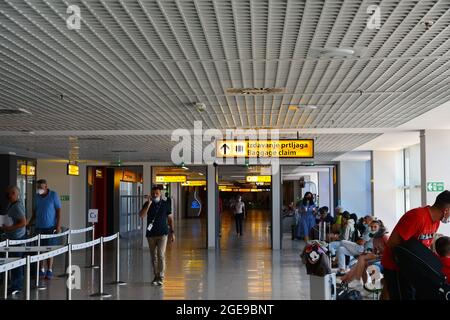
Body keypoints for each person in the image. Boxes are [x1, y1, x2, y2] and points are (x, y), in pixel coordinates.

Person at [381, 190, 450, 300]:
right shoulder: (417, 216)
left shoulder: (436, 222)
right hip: (396, 266)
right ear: (446, 210)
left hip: (413, 269)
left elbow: (424, 245)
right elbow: (392, 243)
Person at [139, 185, 175, 286]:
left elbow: (170, 219)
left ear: (160, 194)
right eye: (153, 194)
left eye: (157, 193)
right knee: (153, 256)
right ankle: (156, 275)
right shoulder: (147, 204)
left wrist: (172, 232)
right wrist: (149, 204)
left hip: (163, 233)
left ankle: (161, 276)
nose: (155, 195)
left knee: (160, 254)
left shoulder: (165, 204)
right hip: (151, 234)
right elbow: (141, 215)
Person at [27, 179, 61, 280]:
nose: (39, 190)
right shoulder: (37, 197)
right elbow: (35, 211)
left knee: (49, 249)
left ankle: (49, 270)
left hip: (50, 227)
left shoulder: (53, 195)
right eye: (38, 188)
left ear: (46, 187)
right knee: (40, 249)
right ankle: (41, 269)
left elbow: (59, 211)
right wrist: (30, 223)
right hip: (39, 227)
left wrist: (58, 225)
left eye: (41, 188)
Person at [340, 220, 389, 284]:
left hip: (386, 258)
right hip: (378, 257)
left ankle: (351, 280)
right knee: (362, 262)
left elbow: (391, 250)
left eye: (375, 227)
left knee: (361, 259)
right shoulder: (374, 239)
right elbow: (375, 252)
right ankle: (364, 284)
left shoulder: (384, 237)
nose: (373, 229)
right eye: (371, 227)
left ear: (379, 227)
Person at [0, 186, 26, 295]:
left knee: (16, 262)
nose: (7, 196)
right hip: (12, 237)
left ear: (14, 193)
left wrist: (8, 228)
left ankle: (17, 286)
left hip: (17, 238)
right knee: (13, 260)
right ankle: (14, 283)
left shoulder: (17, 206)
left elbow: (23, 222)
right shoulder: (11, 204)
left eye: (9, 194)